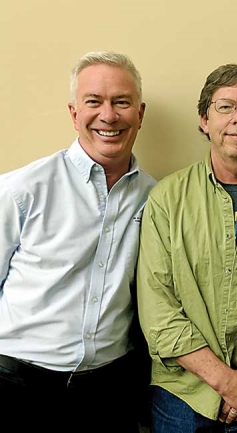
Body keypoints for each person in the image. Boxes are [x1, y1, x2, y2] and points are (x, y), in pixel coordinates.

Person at [137, 63, 237, 433]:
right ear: (203, 120)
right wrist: (227, 382)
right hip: (183, 395)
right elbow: (158, 310)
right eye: (225, 107)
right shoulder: (166, 199)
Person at [0, 51, 156, 433]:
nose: (108, 115)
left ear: (140, 112)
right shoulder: (22, 189)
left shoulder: (157, 199)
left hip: (108, 394)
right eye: (93, 102)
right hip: (17, 388)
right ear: (74, 113)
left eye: (122, 102)